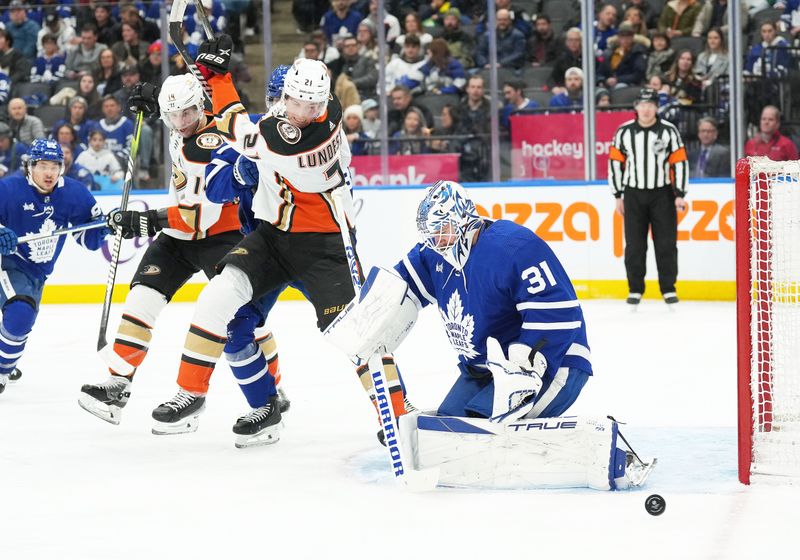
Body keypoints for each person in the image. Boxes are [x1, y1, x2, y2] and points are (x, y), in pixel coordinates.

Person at [146, 37, 410, 439]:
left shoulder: (287, 137)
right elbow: (223, 170)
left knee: (356, 332)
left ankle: (397, 412)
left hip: (325, 246)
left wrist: (219, 80)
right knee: (220, 305)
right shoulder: (301, 115)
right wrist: (232, 163)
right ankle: (214, 397)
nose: (299, 113)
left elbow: (237, 129)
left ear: (324, 103)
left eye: (310, 105)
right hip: (272, 239)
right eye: (287, 101)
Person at [325, 180, 592, 425]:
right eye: (431, 233)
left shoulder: (513, 246)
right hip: (483, 370)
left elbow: (559, 311)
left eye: (443, 229)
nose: (437, 241)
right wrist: (369, 318)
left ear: (465, 219)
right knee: (447, 429)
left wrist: (525, 364)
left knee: (478, 432)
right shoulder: (433, 255)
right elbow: (398, 289)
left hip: (554, 363)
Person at [77, 74, 243, 427]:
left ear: (202, 106)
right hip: (178, 234)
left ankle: (267, 393)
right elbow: (184, 88)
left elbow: (199, 216)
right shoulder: (177, 120)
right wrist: (152, 101)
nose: (180, 123)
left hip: (220, 233)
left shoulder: (211, 144)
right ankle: (118, 384)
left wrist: (146, 221)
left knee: (242, 321)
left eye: (187, 113)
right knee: (141, 298)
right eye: (172, 116)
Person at [0, 139, 109, 394]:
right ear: (30, 166)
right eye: (43, 166)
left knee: (21, 322)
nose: (49, 172)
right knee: (20, 314)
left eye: (55, 166)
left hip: (38, 274)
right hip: (9, 263)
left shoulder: (73, 193)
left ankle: (6, 360)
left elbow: (88, 238)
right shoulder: (8, 188)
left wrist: (104, 228)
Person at [609, 88, 688, 308]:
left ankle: (668, 288)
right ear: (636, 107)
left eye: (650, 105)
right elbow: (615, 163)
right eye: (642, 105)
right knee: (634, 245)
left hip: (662, 194)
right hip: (633, 194)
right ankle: (635, 289)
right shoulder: (624, 132)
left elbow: (679, 162)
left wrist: (679, 193)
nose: (646, 109)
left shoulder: (669, 131)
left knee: (666, 244)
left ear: (656, 107)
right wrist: (618, 195)